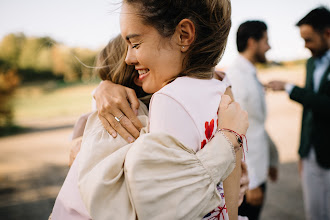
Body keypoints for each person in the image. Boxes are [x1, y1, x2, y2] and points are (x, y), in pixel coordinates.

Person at [51, 5, 249, 217]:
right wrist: (228, 142)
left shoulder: (173, 98)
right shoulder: (211, 94)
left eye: (135, 44)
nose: (129, 58)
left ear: (185, 34)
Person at [267, 6, 330, 220]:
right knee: (313, 214)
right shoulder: (312, 63)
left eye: (309, 39)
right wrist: (302, 151)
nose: (305, 46)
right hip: (310, 154)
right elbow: (309, 109)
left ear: (327, 33)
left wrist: (291, 89)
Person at [225, 20, 279, 220]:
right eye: (266, 40)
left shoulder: (250, 73)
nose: (269, 47)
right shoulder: (237, 77)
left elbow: (257, 125)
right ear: (252, 42)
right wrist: (252, 180)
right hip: (248, 179)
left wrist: (272, 157)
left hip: (258, 168)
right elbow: (236, 132)